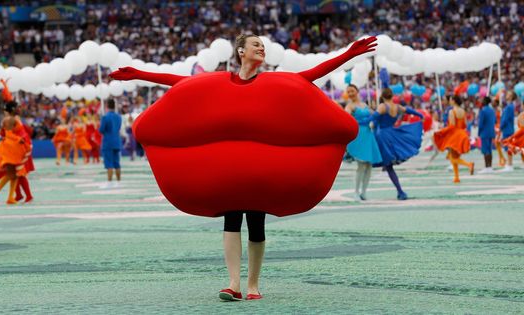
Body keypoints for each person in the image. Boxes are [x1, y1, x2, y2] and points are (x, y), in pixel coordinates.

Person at [110, 34, 377, 301]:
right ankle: (233, 283)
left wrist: (348, 55)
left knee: (256, 224)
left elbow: (311, 75)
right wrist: (139, 74)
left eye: (262, 46)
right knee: (232, 221)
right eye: (255, 45)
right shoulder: (220, 81)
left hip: (261, 172)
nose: (261, 48)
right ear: (241, 51)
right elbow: (183, 84)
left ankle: (253, 285)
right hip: (230, 173)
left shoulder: (273, 81)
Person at [372, 88, 423, 200]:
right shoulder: (397, 106)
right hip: (392, 134)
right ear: (392, 96)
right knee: (389, 165)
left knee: (384, 164)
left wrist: (362, 121)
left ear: (383, 96)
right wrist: (419, 115)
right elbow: (408, 110)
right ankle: (400, 191)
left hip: (382, 135)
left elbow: (373, 118)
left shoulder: (382, 106)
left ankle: (400, 191)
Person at [344, 84, 382, 200]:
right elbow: (345, 117)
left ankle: (364, 192)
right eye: (348, 92)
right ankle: (356, 192)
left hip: (368, 135)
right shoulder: (349, 106)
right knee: (361, 165)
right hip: (359, 135)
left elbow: (375, 114)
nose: (350, 93)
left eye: (352, 91)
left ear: (357, 91)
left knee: (369, 165)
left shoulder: (364, 105)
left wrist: (373, 122)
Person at [0, 101, 29, 205]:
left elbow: (3, 133)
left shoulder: (12, 119)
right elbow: (8, 134)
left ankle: (10, 197)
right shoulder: (10, 119)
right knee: (11, 174)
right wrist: (19, 139)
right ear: (13, 109)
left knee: (14, 175)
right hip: (9, 148)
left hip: (12, 147)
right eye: (17, 107)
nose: (20, 109)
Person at [433, 95, 475, 183]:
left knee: (453, 157)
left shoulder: (452, 111)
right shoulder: (463, 111)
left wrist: (442, 131)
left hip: (454, 135)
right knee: (455, 156)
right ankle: (456, 177)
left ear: (454, 101)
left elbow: (452, 125)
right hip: (462, 134)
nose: (450, 101)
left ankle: (468, 164)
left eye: (451, 99)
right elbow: (464, 124)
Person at [99, 99, 122, 187]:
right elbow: (118, 128)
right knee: (117, 162)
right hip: (116, 141)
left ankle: (109, 182)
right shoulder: (118, 116)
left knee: (109, 163)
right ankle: (119, 182)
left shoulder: (105, 117)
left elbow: (101, 130)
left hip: (108, 142)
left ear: (107, 106)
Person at [477, 96, 496, 173]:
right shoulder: (492, 110)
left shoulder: (483, 111)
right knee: (489, 150)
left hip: (484, 132)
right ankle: (490, 167)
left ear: (485, 102)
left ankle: (487, 167)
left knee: (485, 150)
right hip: (491, 132)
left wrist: (479, 132)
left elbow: (481, 123)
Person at [499, 91, 516, 172]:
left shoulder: (509, 107)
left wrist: (500, 127)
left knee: (508, 147)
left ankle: (509, 164)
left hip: (507, 129)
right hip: (508, 128)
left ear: (512, 97)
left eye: (509, 94)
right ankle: (509, 164)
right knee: (508, 147)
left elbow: (505, 119)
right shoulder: (509, 106)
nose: (507, 95)